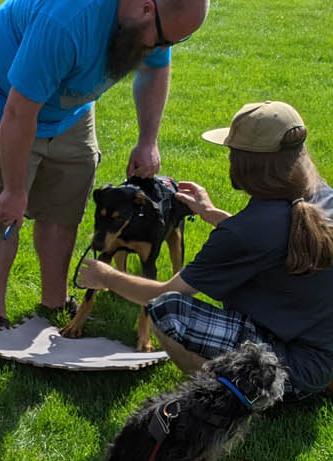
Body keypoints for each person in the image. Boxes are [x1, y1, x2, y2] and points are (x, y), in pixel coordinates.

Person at [0, 0, 207, 332]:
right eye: (162, 41)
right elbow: (19, 112)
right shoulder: (67, 21)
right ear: (147, 8)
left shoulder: (151, 24)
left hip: (70, 110)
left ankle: (54, 302)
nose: (160, 49)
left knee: (64, 207)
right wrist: (14, 189)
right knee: (1, 214)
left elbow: (156, 69)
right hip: (2, 102)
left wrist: (148, 139)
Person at [77, 101, 333, 399]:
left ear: (244, 164)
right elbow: (273, 240)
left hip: (287, 369)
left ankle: (233, 396)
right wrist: (213, 214)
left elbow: (164, 294)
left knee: (167, 311)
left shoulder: (245, 231)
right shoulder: (322, 195)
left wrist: (107, 277)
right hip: (321, 355)